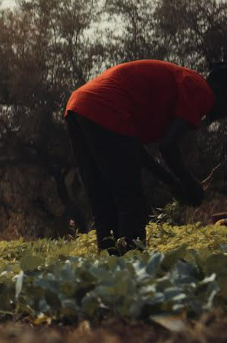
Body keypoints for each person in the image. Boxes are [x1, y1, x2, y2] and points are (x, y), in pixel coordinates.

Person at [65, 59, 226, 254]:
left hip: (78, 105)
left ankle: (109, 271)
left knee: (103, 201)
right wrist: (189, 183)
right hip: (104, 105)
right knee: (130, 201)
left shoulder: (184, 87)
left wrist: (173, 183)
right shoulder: (203, 92)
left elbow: (133, 149)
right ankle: (132, 267)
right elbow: (168, 146)